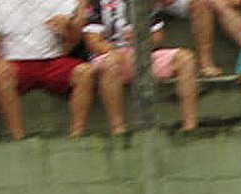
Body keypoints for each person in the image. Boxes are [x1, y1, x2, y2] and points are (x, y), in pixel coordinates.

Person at [83, 0, 200, 134]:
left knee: (186, 59)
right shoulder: (97, 3)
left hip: (142, 53)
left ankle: (190, 126)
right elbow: (92, 42)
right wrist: (117, 53)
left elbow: (157, 37)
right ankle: (118, 129)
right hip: (109, 55)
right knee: (111, 63)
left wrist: (141, 38)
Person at [0, 0, 94, 140]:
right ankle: (18, 136)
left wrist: (67, 27)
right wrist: (0, 61)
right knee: (1, 73)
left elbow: (73, 38)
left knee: (84, 72)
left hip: (52, 61)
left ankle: (77, 134)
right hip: (16, 62)